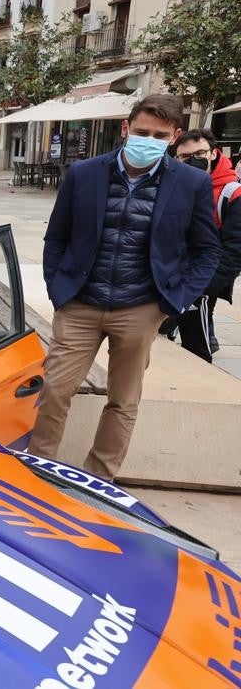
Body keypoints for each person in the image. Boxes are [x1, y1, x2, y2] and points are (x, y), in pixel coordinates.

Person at [28, 94, 220, 481]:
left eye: (159, 134)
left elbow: (207, 252)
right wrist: (57, 288)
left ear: (174, 136)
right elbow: (56, 238)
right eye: (141, 131)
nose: (148, 139)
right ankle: (37, 472)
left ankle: (99, 480)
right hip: (80, 302)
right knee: (56, 390)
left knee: (123, 400)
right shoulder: (84, 173)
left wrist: (174, 302)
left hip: (141, 307)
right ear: (125, 129)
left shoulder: (192, 183)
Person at [161, 129, 241, 361]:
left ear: (213, 154)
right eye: (186, 156)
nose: (194, 159)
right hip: (170, 276)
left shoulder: (231, 193)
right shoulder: (174, 185)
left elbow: (235, 249)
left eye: (200, 153)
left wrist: (206, 285)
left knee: (196, 342)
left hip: (202, 279)